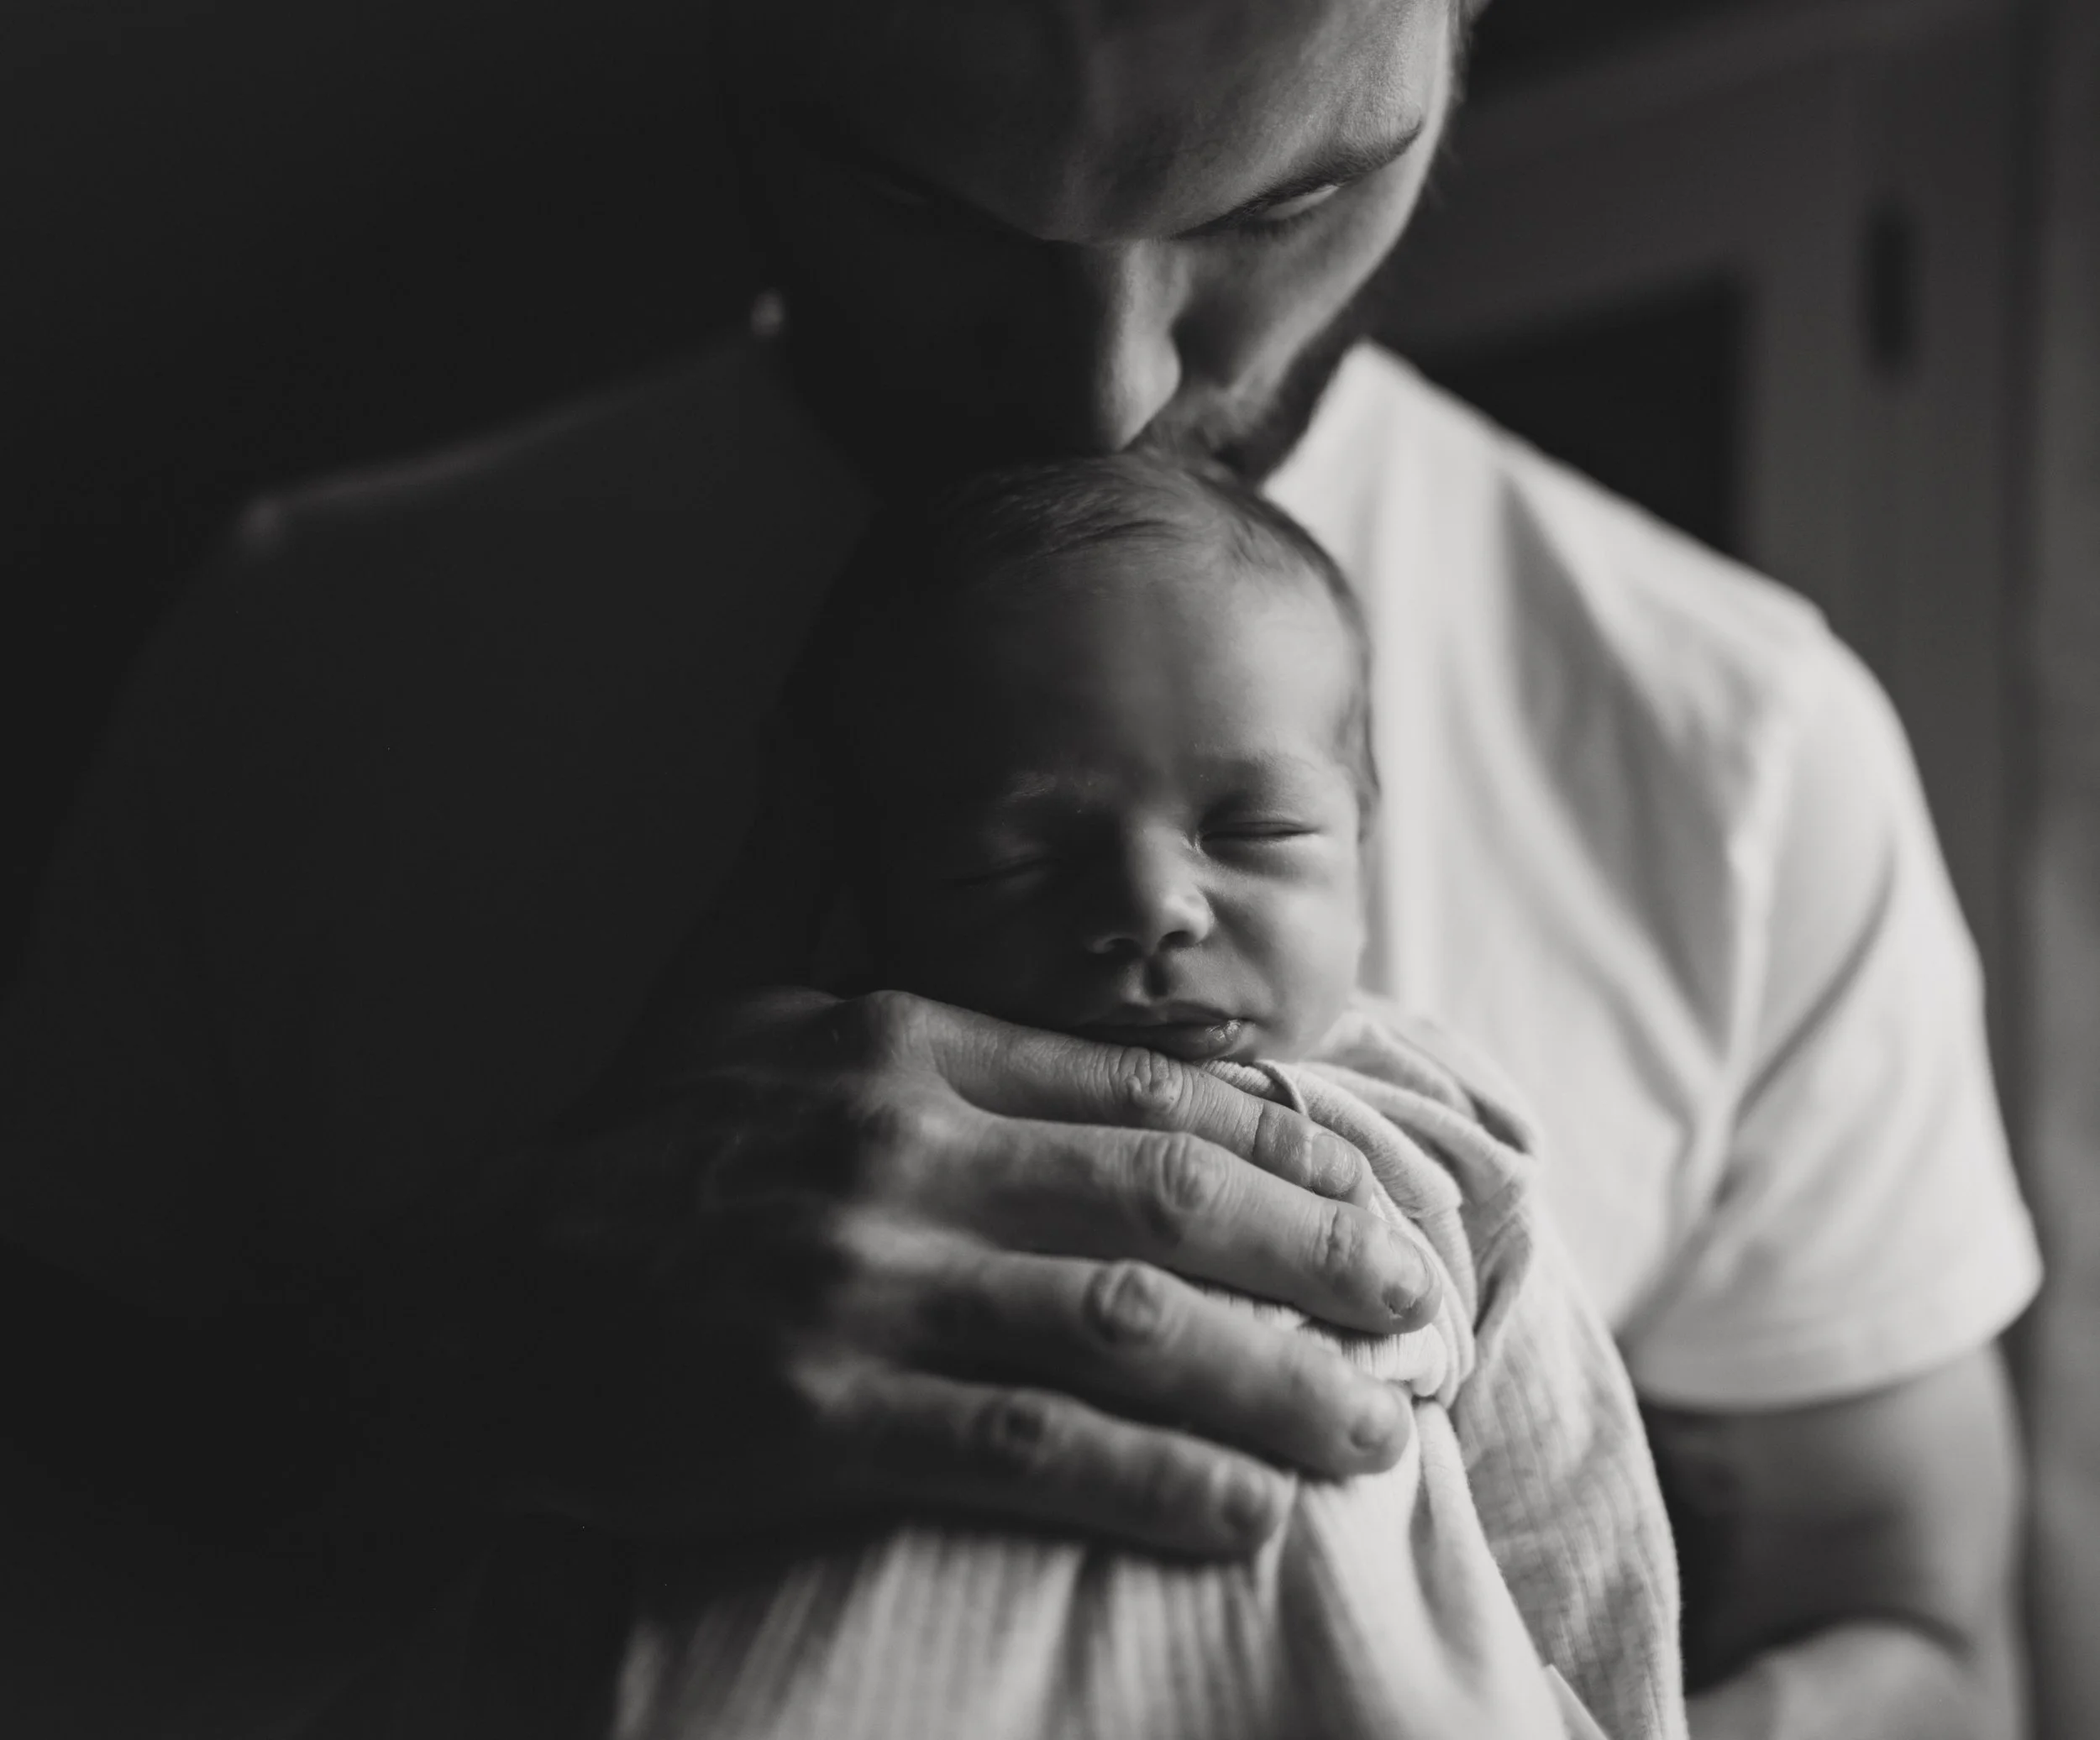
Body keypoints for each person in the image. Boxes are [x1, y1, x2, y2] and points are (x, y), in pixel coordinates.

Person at [0, 2, 2039, 1737]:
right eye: (919, 199)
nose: (1104, 392)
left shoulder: (1742, 741)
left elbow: (1930, 1639)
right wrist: (430, 1394)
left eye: (1280, 204)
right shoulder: (299, 667)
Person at [611, 454, 1682, 1740]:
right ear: (875, 892)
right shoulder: (797, 1129)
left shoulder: (1426, 1125)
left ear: (1364, 845)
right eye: (1022, 853)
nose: (1150, 909)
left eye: (1251, 831)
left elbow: (1573, 1511)